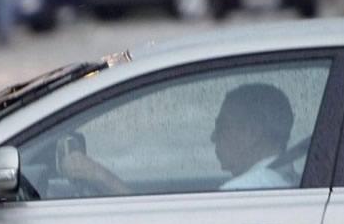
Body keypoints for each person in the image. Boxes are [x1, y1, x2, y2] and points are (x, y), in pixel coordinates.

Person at [57, 83, 296, 195]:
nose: (213, 137)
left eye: (222, 127)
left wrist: (99, 175)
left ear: (251, 134)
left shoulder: (247, 190)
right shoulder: (281, 178)